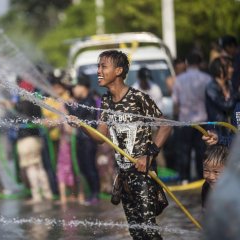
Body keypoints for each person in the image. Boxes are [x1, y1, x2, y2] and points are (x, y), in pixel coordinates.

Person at [68, 50, 171, 239]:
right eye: (98, 66)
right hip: (123, 176)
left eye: (103, 66)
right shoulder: (106, 101)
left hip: (143, 175)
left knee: (149, 230)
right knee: (135, 232)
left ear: (118, 71)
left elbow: (165, 125)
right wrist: (81, 125)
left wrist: (148, 155)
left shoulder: (138, 98)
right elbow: (101, 138)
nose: (98, 71)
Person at [172, 51, 211, 183]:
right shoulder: (206, 78)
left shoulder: (179, 79)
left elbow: (176, 103)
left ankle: (185, 178)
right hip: (202, 120)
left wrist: (175, 119)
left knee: (184, 150)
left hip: (185, 121)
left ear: (187, 63)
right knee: (201, 150)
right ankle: (202, 177)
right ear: (200, 63)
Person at [68, 75, 100, 205]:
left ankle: (95, 194)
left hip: (88, 140)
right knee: (83, 167)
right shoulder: (81, 101)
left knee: (90, 166)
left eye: (76, 86)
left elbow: (78, 116)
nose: (74, 89)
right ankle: (91, 193)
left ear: (83, 87)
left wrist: (68, 107)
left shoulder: (89, 102)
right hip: (80, 139)